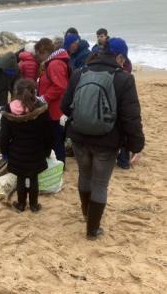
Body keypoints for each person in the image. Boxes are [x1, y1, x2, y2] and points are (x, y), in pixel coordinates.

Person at [61, 37, 144, 239]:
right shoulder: (123, 78)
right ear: (120, 57)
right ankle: (92, 230)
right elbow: (130, 117)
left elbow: (65, 106)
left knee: (85, 176)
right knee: (100, 184)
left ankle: (86, 213)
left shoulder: (80, 72)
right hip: (107, 142)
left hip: (79, 137)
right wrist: (136, 145)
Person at [0, 78, 53, 213]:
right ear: (33, 91)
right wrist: (47, 151)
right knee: (34, 177)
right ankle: (34, 205)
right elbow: (48, 134)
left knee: (21, 178)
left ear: (15, 92)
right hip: (37, 151)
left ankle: (21, 204)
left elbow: (4, 136)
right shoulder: (41, 108)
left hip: (17, 152)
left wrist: (4, 152)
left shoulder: (8, 109)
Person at [35, 38, 70, 164]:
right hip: (53, 108)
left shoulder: (55, 64)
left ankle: (60, 164)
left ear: (43, 51)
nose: (38, 57)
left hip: (55, 110)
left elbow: (60, 86)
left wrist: (44, 98)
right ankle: (58, 163)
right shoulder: (52, 63)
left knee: (56, 139)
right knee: (54, 138)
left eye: (38, 54)